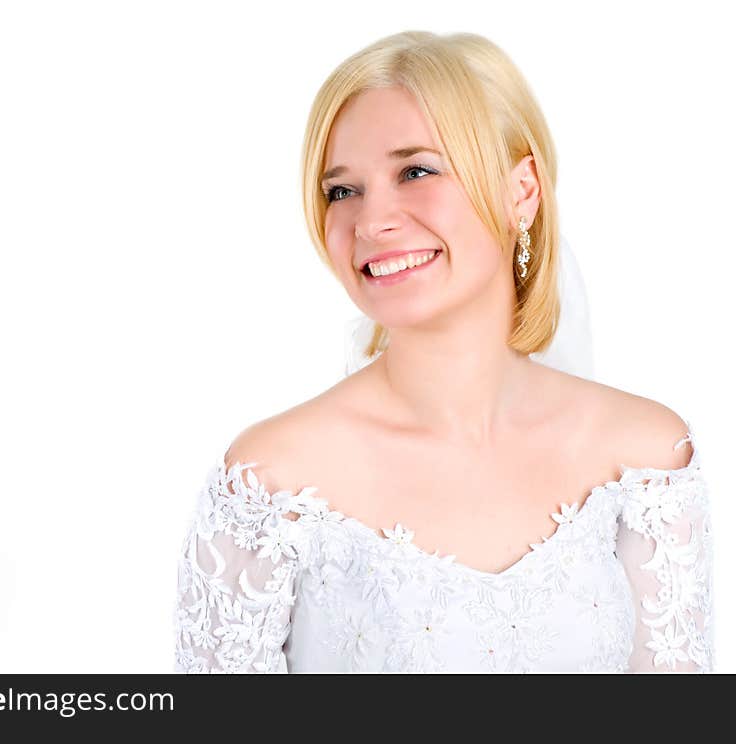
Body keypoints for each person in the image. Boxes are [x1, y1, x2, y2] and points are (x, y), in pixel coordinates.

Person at [172, 31, 714, 673]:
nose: (371, 222)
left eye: (417, 171)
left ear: (522, 191)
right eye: (341, 191)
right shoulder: (270, 484)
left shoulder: (648, 461)